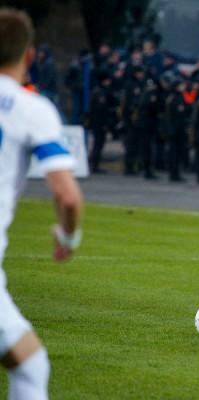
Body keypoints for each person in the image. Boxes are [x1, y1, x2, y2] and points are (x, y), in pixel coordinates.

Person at [0, 8, 84, 400]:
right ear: (30, 54)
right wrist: (68, 237)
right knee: (31, 368)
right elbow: (67, 195)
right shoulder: (31, 109)